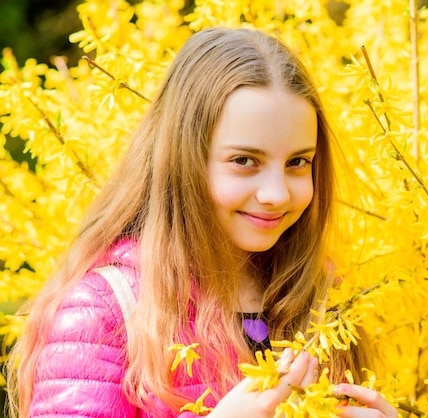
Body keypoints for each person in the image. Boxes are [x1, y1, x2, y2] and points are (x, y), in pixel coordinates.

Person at [6, 27, 398, 418]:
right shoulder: (103, 312)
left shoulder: (318, 299)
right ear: (182, 160)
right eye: (245, 161)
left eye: (298, 162)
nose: (277, 194)